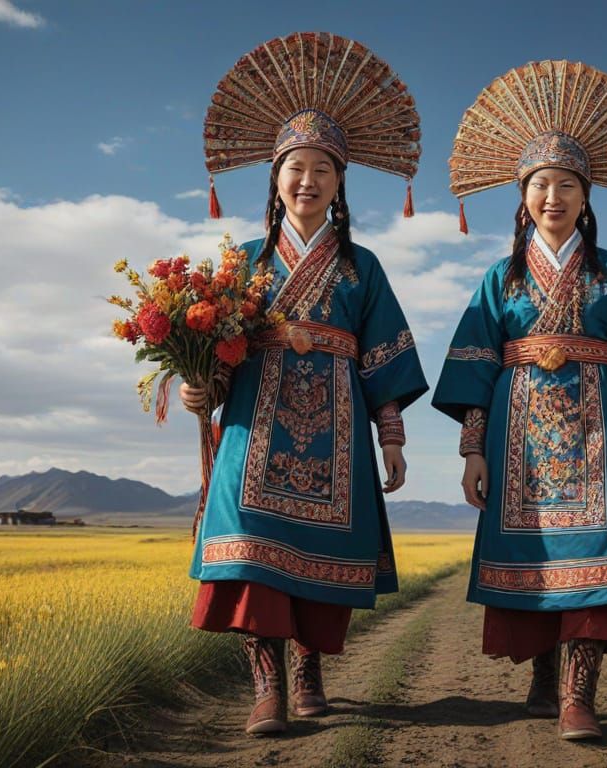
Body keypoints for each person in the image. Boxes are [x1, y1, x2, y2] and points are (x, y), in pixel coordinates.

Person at [432, 61, 607, 740]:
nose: (554, 196)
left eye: (566, 185)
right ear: (523, 196)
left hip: (598, 437)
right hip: (515, 444)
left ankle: (579, 695)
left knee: (594, 554)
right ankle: (543, 677)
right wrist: (471, 453)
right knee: (535, 561)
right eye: (541, 184)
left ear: (586, 197)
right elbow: (473, 367)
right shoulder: (500, 279)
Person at [179, 31, 426, 736]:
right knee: (249, 548)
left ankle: (309, 667)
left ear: (341, 182)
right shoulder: (245, 261)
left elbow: (383, 358)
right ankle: (267, 687)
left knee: (324, 560)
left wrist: (394, 439)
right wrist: (201, 387)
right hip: (253, 426)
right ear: (275, 177)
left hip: (335, 432)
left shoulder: (363, 268)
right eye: (295, 167)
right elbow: (216, 354)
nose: (307, 180)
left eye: (322, 168)